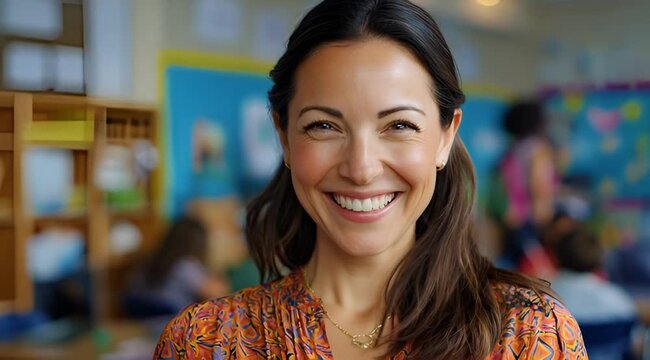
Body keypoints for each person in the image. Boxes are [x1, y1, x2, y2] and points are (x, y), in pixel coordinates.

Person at [155, 0, 587, 358]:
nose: (361, 169)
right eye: (324, 126)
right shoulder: (205, 342)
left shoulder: (531, 335)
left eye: (399, 125)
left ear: (445, 137)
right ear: (283, 137)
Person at [549, 218, 641, 359]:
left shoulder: (543, 299)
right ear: (599, 258)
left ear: (557, 256)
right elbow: (634, 346)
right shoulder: (619, 300)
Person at [489, 100, 558, 277]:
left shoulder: (513, 149)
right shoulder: (538, 148)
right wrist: (545, 210)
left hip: (509, 217)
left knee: (511, 269)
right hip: (530, 218)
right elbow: (539, 184)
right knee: (537, 271)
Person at [123, 216, 230, 317]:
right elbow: (215, 293)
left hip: (138, 318)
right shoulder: (185, 265)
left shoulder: (150, 258)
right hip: (170, 319)